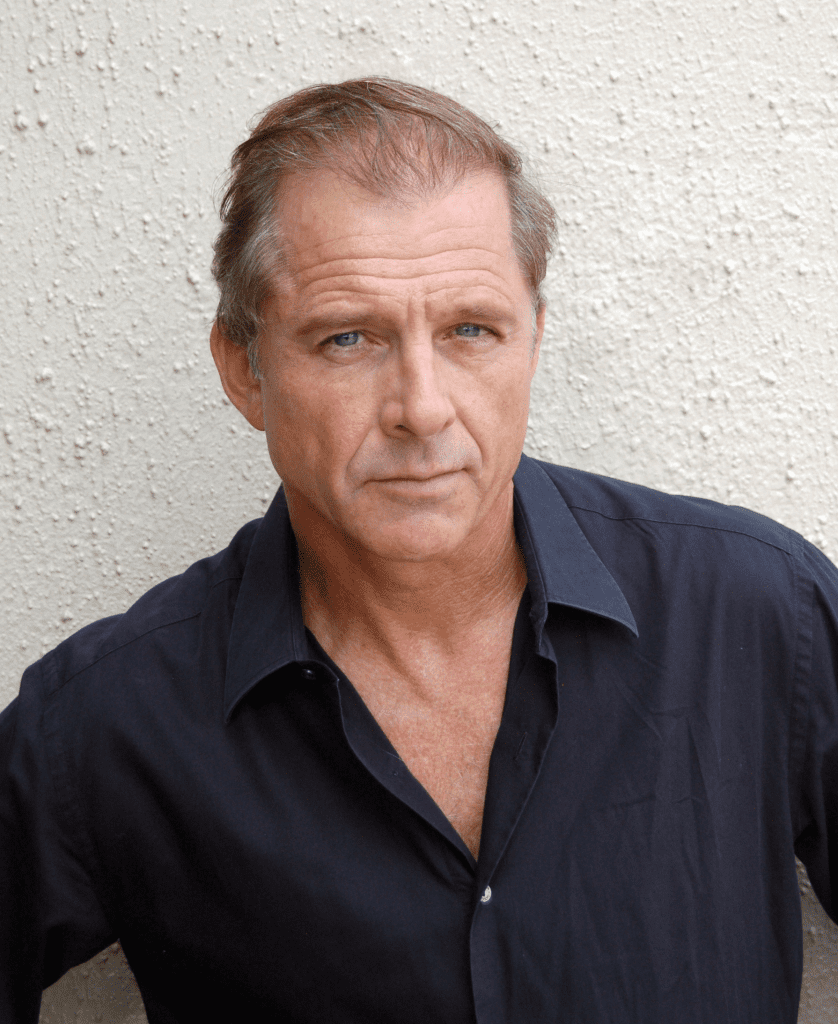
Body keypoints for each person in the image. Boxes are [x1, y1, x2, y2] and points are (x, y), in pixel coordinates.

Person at [1, 77, 837, 1024]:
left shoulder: (763, 614)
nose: (422, 408)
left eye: (471, 330)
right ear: (245, 370)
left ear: (533, 341)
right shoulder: (108, 724)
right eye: (348, 338)